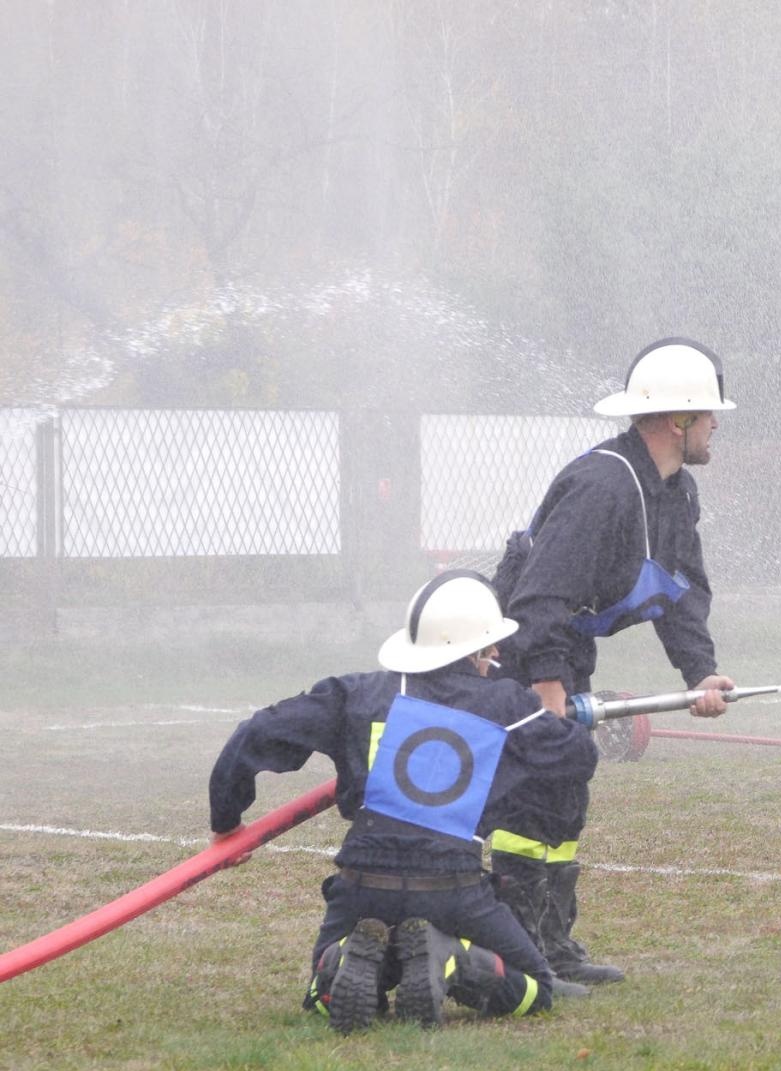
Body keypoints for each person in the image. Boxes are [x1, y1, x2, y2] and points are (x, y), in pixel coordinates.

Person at [209, 570, 599, 1033]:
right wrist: (534, 732)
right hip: (452, 889)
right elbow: (577, 757)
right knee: (536, 988)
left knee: (320, 1000)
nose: (496, 653)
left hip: (362, 886)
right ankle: (449, 958)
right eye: (490, 644)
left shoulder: (354, 694)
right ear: (474, 650)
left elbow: (256, 733)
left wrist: (227, 820)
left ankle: (349, 960)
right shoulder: (508, 708)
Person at [490, 336, 736, 986]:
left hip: (566, 653)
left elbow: (682, 590)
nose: (716, 427)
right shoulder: (603, 486)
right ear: (677, 420)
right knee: (527, 806)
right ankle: (519, 956)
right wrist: (547, 696)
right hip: (514, 656)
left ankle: (554, 943)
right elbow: (536, 597)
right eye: (709, 415)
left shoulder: (675, 494)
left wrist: (700, 674)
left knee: (567, 793)